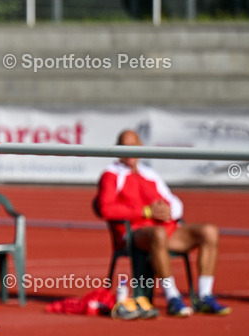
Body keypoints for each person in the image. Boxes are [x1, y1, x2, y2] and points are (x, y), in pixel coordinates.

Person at [94, 129, 230, 318]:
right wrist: (145, 211)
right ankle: (173, 297)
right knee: (157, 234)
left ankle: (204, 296)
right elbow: (105, 209)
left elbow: (175, 204)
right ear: (117, 150)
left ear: (141, 148)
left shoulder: (150, 173)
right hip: (134, 233)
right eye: (124, 146)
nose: (129, 151)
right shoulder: (111, 174)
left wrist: (167, 212)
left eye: (133, 146)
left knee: (209, 231)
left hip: (166, 229)